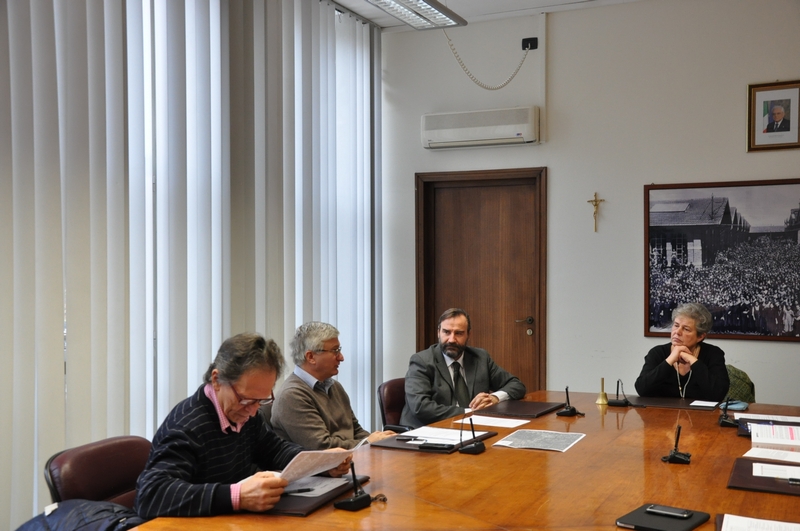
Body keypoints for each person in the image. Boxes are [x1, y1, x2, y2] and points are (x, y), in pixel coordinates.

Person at [134, 332, 350, 519]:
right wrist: (237, 496)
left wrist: (320, 463)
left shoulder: (244, 413)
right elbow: (151, 495)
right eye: (246, 399)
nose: (253, 411)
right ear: (217, 380)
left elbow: (274, 450)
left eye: (261, 400)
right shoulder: (187, 427)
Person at [270, 321, 396, 449]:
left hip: (349, 461)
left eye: (339, 350)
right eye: (335, 351)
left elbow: (356, 430)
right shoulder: (292, 396)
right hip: (322, 467)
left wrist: (381, 441)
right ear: (311, 357)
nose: (341, 357)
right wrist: (368, 442)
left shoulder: (334, 386)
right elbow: (321, 446)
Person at [400, 308, 527, 428]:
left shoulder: (480, 358)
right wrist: (470, 412)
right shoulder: (421, 361)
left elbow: (516, 385)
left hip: (470, 430)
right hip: (426, 432)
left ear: (468, 335)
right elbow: (421, 407)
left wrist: (494, 398)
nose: (451, 339)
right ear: (438, 332)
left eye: (459, 333)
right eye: (446, 332)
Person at [635, 302, 729, 401]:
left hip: (701, 415)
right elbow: (641, 389)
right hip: (662, 413)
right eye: (676, 325)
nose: (677, 332)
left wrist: (693, 360)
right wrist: (670, 360)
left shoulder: (713, 354)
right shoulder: (657, 353)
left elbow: (719, 394)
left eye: (686, 329)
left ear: (700, 336)